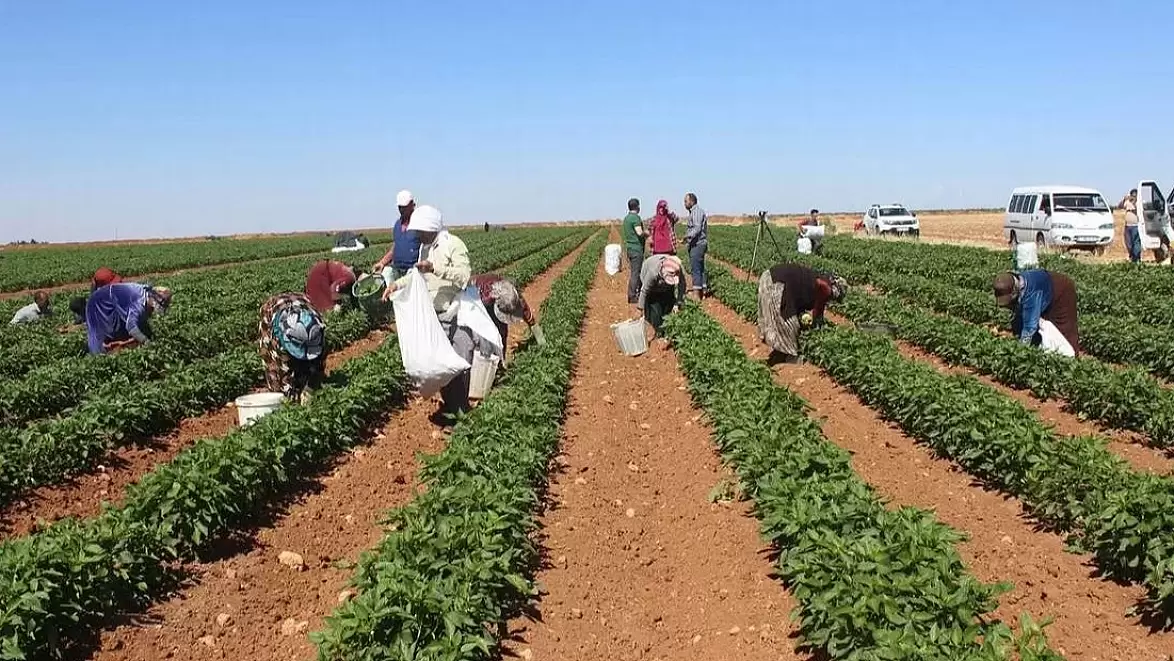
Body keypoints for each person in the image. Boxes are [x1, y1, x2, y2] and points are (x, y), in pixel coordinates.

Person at [382, 204, 473, 424]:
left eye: (420, 231)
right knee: (439, 366)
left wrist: (435, 268)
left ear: (430, 228)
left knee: (460, 361)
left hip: (455, 311)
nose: (418, 235)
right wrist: (397, 284)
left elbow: (465, 275)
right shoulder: (425, 248)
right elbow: (416, 275)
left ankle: (461, 410)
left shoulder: (453, 245)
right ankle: (452, 407)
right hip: (434, 315)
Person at [757, 264, 847, 364]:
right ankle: (788, 357)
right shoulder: (825, 287)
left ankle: (779, 354)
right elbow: (818, 309)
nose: (832, 299)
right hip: (777, 283)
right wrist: (817, 325)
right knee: (788, 323)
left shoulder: (817, 279)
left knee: (779, 320)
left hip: (770, 278)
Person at [258, 292, 327, 403]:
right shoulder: (277, 338)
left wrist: (311, 386)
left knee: (312, 369)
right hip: (273, 309)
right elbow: (281, 368)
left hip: (302, 301)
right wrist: (289, 395)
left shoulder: (316, 328)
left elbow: (320, 361)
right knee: (275, 372)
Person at [993, 270, 1079, 356]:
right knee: (1022, 322)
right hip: (1045, 289)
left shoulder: (1031, 293)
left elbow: (1030, 326)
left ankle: (1071, 358)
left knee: (1063, 328)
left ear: (1015, 291)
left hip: (1061, 291)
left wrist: (1020, 352)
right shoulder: (1015, 283)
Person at [85, 283, 172, 354]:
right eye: (153, 308)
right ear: (152, 300)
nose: (152, 311)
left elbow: (141, 322)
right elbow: (131, 328)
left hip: (113, 301)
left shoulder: (148, 295)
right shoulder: (138, 303)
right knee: (99, 337)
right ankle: (96, 358)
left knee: (121, 332)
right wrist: (146, 342)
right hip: (99, 303)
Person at [470, 273, 536, 356]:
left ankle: (500, 359)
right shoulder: (484, 298)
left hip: (492, 293)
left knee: (502, 331)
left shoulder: (511, 294)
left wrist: (534, 328)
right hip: (473, 296)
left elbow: (525, 309)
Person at [636, 254, 685, 346]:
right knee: (655, 310)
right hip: (651, 286)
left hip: (665, 286)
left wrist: (678, 302)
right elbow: (644, 290)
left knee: (668, 306)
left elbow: (682, 285)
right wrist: (639, 308)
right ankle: (658, 333)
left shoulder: (677, 268)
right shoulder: (653, 272)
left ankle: (666, 332)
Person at [373, 190, 421, 280]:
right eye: (400, 207)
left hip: (413, 269)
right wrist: (382, 262)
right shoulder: (397, 224)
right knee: (386, 274)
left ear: (412, 205)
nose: (402, 210)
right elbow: (396, 247)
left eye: (404, 207)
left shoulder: (419, 224)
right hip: (397, 268)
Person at [683, 192, 709, 299]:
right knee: (700, 267)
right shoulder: (694, 212)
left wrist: (687, 236)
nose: (684, 203)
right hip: (698, 243)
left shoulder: (696, 212)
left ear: (691, 201)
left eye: (686, 201)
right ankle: (703, 291)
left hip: (697, 244)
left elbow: (697, 228)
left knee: (696, 268)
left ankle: (696, 295)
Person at [621, 198, 646, 303]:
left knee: (635, 272)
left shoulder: (626, 218)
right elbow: (639, 232)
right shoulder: (635, 218)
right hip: (636, 249)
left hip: (630, 249)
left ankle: (638, 293)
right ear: (637, 207)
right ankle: (632, 296)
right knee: (636, 273)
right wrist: (647, 233)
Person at [1120, 189, 1141, 263]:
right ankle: (1131, 255)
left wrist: (1134, 202)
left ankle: (1137, 258)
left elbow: (1138, 210)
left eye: (1135, 195)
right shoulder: (1127, 202)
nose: (1133, 196)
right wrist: (1124, 199)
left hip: (1135, 225)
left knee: (1136, 243)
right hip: (1127, 225)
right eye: (1132, 195)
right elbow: (1120, 206)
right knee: (1128, 243)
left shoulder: (1139, 203)